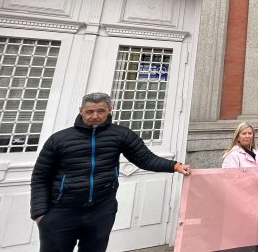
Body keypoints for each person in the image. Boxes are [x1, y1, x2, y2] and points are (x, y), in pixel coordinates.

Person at [30, 92, 191, 252]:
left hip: (100, 211)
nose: (95, 115)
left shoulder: (120, 135)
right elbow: (40, 177)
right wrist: (39, 213)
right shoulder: (59, 139)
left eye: (100, 111)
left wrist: (175, 166)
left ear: (110, 110)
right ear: (81, 110)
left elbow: (145, 158)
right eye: (89, 111)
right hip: (61, 211)